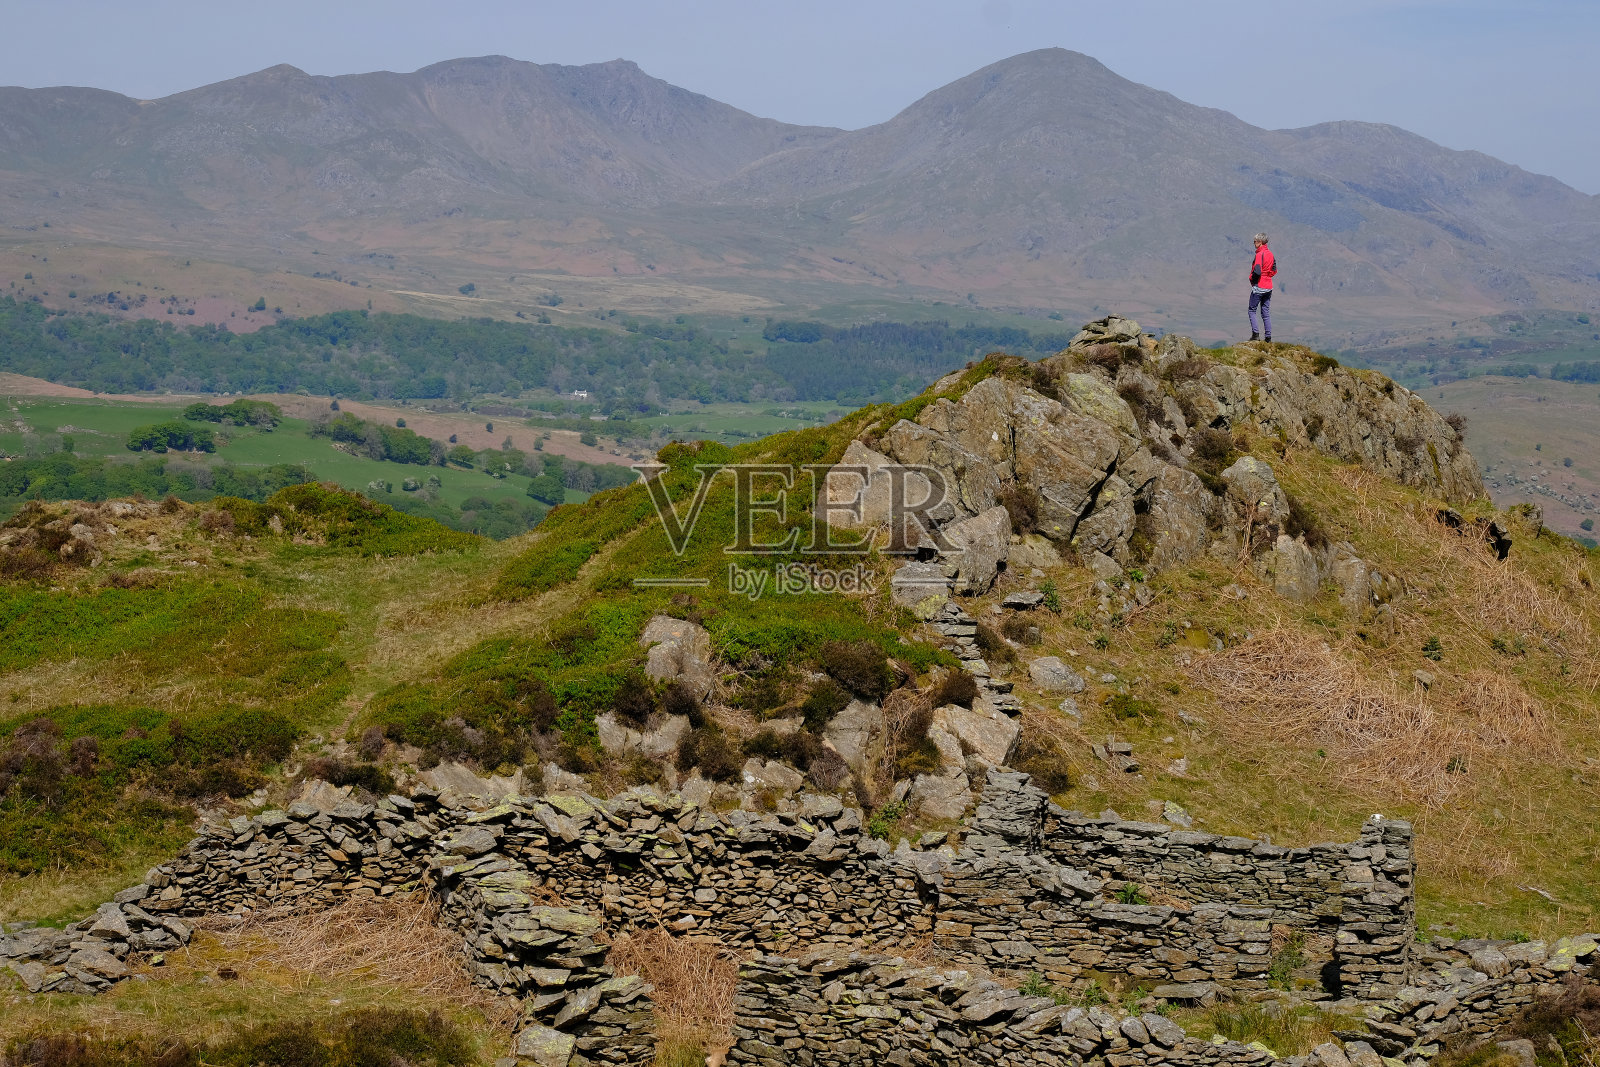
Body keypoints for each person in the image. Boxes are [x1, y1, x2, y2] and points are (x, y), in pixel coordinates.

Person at [1248, 232, 1276, 342]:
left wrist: (1252, 280)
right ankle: (1268, 338)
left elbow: (1257, 271)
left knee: (1252, 310)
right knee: (1265, 312)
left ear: (1260, 242)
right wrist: (1267, 276)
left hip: (1259, 286)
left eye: (1255, 241)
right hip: (1269, 287)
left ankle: (1255, 335)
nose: (1254, 243)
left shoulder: (1260, 254)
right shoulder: (1271, 254)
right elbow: (1274, 270)